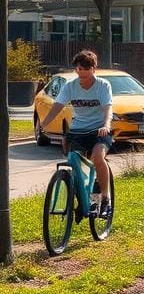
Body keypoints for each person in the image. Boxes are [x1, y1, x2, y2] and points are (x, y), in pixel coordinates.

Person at [40, 49, 114, 216]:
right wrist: (44, 124)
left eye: (86, 68)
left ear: (94, 68)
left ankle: (105, 197)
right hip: (78, 131)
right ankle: (86, 199)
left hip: (99, 131)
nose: (82, 72)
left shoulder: (103, 85)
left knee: (97, 157)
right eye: (79, 68)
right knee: (76, 163)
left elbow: (108, 108)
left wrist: (106, 125)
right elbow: (57, 107)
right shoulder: (70, 86)